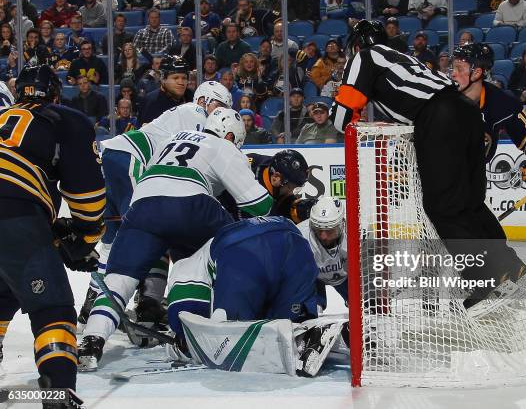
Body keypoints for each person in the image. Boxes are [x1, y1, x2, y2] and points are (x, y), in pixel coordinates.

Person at [330, 20, 526, 307]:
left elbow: (342, 118)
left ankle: (485, 281)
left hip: (440, 118)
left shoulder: (365, 56)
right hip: (469, 113)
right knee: (469, 202)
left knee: (443, 206)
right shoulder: (404, 59)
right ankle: (510, 265)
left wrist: (360, 120)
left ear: (357, 45)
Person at [78, 109, 273, 370]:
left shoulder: (173, 138)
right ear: (230, 135)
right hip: (191, 205)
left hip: (142, 206)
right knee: (231, 246)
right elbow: (259, 205)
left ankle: (92, 340)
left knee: (120, 279)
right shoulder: (224, 147)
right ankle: (218, 321)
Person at [76, 80, 233, 326]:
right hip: (129, 160)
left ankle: (92, 304)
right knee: (151, 233)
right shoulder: (196, 114)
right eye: (220, 106)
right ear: (204, 101)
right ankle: (147, 304)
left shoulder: (180, 114)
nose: (223, 115)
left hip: (106, 160)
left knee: (112, 242)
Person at [0, 65, 105, 407]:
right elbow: (87, 192)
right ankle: (58, 392)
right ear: (55, 96)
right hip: (12, 212)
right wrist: (86, 239)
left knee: (6, 289)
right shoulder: (62, 118)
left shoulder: (4, 116)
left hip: (15, 218)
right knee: (53, 308)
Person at [164, 216, 339, 378]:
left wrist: (182, 338)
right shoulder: (198, 260)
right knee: (291, 323)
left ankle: (298, 338)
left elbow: (184, 313)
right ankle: (310, 335)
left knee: (232, 331)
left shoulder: (185, 267)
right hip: (295, 242)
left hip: (242, 248)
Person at [451, 43, 526, 200]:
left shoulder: (502, 103)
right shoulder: (439, 98)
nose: (453, 74)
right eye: (453, 68)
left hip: (469, 181)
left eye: (459, 68)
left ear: (477, 72)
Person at [220, 149, 315, 225]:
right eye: (291, 187)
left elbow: (282, 201)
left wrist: (298, 210)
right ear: (275, 178)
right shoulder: (251, 193)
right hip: (224, 213)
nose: (292, 192)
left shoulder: (273, 164)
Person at [297, 197, 348, 312]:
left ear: (342, 224)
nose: (323, 236)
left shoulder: (357, 232)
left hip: (347, 276)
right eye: (318, 229)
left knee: (369, 305)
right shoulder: (300, 235)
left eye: (329, 230)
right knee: (310, 312)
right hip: (314, 277)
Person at [138, 55, 189, 125]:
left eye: (184, 78)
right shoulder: (152, 102)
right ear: (163, 79)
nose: (181, 82)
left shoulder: (190, 96)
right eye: (175, 78)